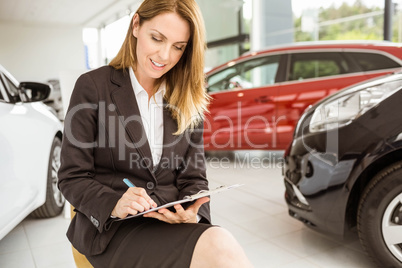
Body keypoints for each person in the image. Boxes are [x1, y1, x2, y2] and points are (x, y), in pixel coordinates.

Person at [58, 0, 253, 267]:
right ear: (136, 25)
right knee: (219, 247)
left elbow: (193, 177)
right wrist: (115, 203)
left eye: (178, 47)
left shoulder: (188, 97)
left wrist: (192, 215)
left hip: (170, 225)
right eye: (157, 38)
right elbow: (72, 177)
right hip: (114, 229)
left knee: (220, 243)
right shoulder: (93, 87)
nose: (164, 55)